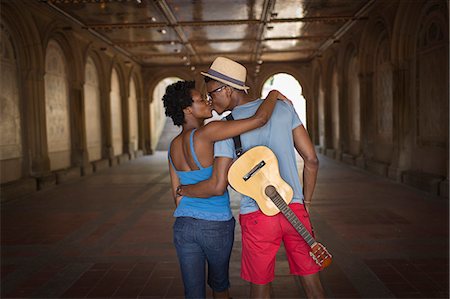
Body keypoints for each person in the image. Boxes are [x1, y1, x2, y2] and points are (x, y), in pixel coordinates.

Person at [177, 57, 326, 298]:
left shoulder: (227, 128)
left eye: (213, 94)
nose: (211, 103)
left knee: (260, 287)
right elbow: (311, 160)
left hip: (257, 216)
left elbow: (221, 181)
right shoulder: (283, 107)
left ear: (227, 89)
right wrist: (304, 204)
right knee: (313, 286)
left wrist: (184, 190)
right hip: (294, 210)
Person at [162, 78, 288, 299]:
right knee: (220, 289)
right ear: (188, 110)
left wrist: (185, 191)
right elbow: (259, 119)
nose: (208, 102)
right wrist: (273, 94)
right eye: (201, 100)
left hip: (183, 226)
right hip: (216, 225)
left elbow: (177, 196)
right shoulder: (208, 133)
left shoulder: (172, 147)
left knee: (193, 293)